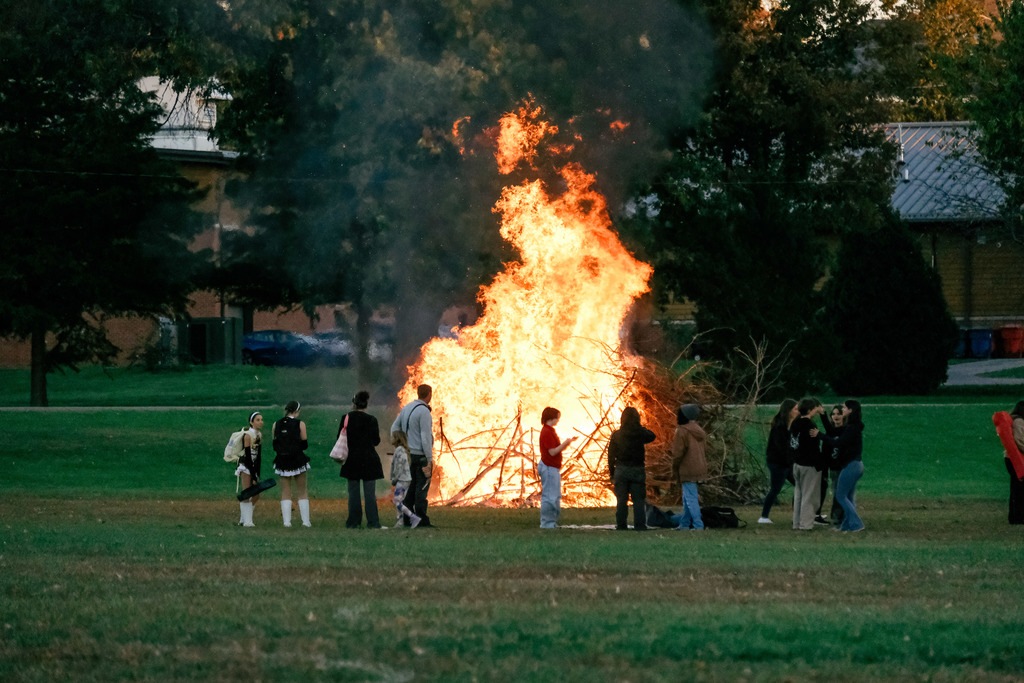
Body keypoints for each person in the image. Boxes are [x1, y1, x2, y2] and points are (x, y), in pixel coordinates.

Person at [815, 399, 865, 532]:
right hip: (855, 465)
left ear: (850, 410)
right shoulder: (851, 427)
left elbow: (837, 443)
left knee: (840, 496)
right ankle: (847, 525)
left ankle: (856, 524)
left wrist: (819, 435)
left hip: (852, 466)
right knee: (847, 497)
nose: (842, 410)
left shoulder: (852, 428)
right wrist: (823, 415)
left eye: (844, 408)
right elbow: (832, 432)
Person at [390, 384, 436, 528]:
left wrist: (400, 444)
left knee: (409, 489)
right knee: (421, 488)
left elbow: (394, 428)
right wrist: (430, 458)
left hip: (408, 454)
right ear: (429, 394)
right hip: (420, 456)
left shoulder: (407, 408)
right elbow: (425, 437)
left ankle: (408, 519)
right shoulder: (424, 412)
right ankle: (421, 519)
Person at [340, 391, 385, 529]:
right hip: (369, 459)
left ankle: (353, 522)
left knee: (353, 492)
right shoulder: (371, 419)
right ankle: (373, 522)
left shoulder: (346, 418)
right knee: (370, 493)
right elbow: (376, 441)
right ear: (366, 404)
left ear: (354, 403)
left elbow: (340, 438)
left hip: (352, 459)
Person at [607, 406, 656, 531]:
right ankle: (640, 525)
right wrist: (640, 428)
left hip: (621, 469)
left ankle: (621, 525)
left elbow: (611, 456)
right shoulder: (640, 433)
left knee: (621, 500)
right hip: (637, 469)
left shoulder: (617, 435)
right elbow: (652, 436)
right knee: (638, 500)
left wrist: (612, 474)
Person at [758, 398, 798, 524]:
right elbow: (781, 447)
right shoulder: (779, 427)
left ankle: (797, 513)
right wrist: (792, 458)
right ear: (789, 410)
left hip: (788, 463)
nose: (798, 411)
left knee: (800, 485)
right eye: (796, 409)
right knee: (775, 489)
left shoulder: (793, 426)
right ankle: (764, 516)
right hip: (777, 463)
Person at [272, 401, 311, 528]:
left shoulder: (276, 424)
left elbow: (275, 444)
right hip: (297, 459)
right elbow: (304, 444)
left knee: (285, 491)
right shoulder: (300, 424)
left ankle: (286, 522)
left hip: (282, 460)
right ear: (297, 411)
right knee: (302, 491)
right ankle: (305, 522)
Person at [537, 406, 577, 529]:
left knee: (554, 495)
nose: (558, 421)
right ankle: (547, 524)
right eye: (556, 418)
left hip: (552, 468)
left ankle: (551, 522)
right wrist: (566, 443)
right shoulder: (547, 432)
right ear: (551, 418)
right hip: (549, 468)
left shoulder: (550, 430)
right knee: (550, 496)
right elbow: (552, 452)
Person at [671, 403, 707, 531]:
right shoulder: (697, 429)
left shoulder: (682, 431)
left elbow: (677, 453)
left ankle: (698, 525)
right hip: (699, 467)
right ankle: (685, 524)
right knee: (687, 498)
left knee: (691, 499)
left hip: (687, 469)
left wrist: (674, 468)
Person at [790, 397, 824, 531]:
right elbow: (813, 448)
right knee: (809, 496)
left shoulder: (795, 423)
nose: (817, 409)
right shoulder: (810, 426)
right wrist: (819, 464)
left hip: (797, 464)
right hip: (809, 465)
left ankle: (796, 523)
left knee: (799, 494)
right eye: (815, 407)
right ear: (810, 410)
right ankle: (806, 524)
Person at [235, 411, 264, 528]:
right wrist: (252, 473)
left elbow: (258, 455)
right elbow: (247, 456)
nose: (261, 422)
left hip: (253, 467)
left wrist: (257, 473)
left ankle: (243, 519)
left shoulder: (259, 435)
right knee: (247, 493)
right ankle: (248, 521)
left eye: (261, 419)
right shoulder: (247, 435)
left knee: (256, 495)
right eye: (258, 420)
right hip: (246, 466)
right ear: (251, 422)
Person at [389, 431, 422, 528]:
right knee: (400, 501)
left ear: (397, 439)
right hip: (405, 479)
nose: (391, 439)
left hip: (402, 480)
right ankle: (400, 522)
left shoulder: (399, 450)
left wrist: (395, 479)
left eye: (392, 437)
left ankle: (413, 517)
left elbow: (399, 467)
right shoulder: (402, 450)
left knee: (397, 501)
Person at [1005, 402, 1024, 524]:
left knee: (1016, 488)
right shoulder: (1019, 422)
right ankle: (1018, 516)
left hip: (1011, 459)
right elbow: (1020, 441)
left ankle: (1015, 516)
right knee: (1020, 488)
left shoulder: (1015, 421)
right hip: (1016, 460)